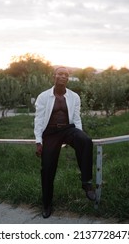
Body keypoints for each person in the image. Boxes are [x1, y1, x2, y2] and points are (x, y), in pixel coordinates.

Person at [34, 66, 95, 218]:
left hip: (68, 129)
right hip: (50, 133)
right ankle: (47, 204)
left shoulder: (74, 97)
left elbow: (76, 117)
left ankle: (86, 182)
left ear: (68, 78)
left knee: (86, 141)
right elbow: (39, 120)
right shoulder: (43, 97)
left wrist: (79, 134)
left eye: (66, 75)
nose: (63, 76)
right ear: (53, 75)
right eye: (60, 74)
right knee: (47, 168)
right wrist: (38, 141)